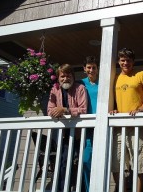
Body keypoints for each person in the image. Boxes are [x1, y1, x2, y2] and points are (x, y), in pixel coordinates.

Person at [110, 48, 143, 192]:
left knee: (139, 162)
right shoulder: (114, 78)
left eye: (128, 60)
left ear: (133, 61)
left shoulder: (141, 75)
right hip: (119, 126)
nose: (125, 63)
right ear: (119, 61)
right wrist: (114, 108)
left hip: (137, 125)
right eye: (122, 60)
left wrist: (140, 110)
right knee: (117, 163)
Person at [48, 64, 88, 192]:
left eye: (68, 75)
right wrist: (56, 111)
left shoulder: (80, 88)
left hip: (78, 135)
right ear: (58, 78)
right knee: (62, 164)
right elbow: (50, 109)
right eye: (62, 76)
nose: (65, 78)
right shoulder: (54, 90)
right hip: (62, 135)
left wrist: (65, 110)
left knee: (81, 164)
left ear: (73, 76)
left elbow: (84, 109)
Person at [80, 56, 99, 192]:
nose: (91, 70)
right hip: (87, 128)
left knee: (100, 162)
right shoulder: (80, 83)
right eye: (89, 67)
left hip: (102, 126)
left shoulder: (104, 82)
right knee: (86, 161)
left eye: (94, 67)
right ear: (84, 69)